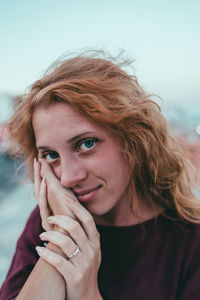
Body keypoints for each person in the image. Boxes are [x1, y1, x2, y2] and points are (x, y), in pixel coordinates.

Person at [1, 51, 200, 300]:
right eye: (52, 155)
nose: (67, 178)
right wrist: (62, 239)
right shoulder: (46, 224)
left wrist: (87, 293)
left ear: (134, 138)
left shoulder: (190, 242)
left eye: (86, 144)